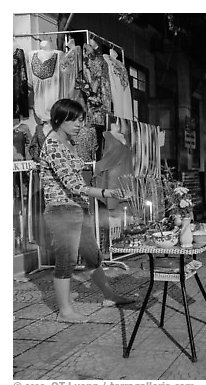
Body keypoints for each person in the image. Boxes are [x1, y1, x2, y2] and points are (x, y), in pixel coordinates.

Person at [39, 98, 134, 323]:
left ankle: (109, 296)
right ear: (59, 119)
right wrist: (107, 193)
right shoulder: (53, 145)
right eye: (73, 120)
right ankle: (65, 311)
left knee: (92, 255)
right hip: (61, 209)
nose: (79, 124)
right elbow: (74, 184)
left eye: (81, 120)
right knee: (67, 260)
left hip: (77, 208)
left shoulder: (67, 142)